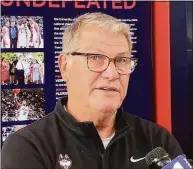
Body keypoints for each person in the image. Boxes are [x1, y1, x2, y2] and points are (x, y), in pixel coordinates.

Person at [1, 12, 184, 169]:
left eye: (121, 60)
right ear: (65, 67)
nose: (112, 74)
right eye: (95, 57)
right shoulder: (29, 146)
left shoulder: (157, 140)